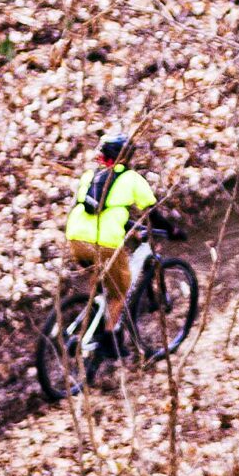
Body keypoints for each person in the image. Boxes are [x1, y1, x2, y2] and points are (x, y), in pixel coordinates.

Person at [64, 130, 165, 349]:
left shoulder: (89, 176)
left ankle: (94, 318)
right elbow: (153, 212)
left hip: (76, 238)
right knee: (121, 290)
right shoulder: (131, 178)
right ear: (125, 156)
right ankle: (109, 341)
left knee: (102, 283)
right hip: (104, 242)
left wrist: (128, 225)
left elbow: (101, 209)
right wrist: (172, 230)